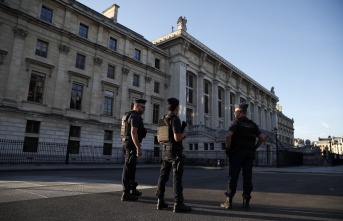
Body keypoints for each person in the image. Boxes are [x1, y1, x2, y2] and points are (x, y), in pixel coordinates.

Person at [221, 103, 265, 210]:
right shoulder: (252, 124)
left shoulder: (236, 123)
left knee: (233, 177)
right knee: (247, 178)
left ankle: (229, 202)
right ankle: (246, 203)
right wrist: (254, 148)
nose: (234, 113)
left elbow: (228, 136)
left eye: (235, 111)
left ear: (239, 112)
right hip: (249, 154)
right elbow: (262, 138)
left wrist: (228, 148)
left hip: (237, 153)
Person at [156, 98, 191, 213]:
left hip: (165, 151)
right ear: (177, 108)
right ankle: (178, 203)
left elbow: (159, 139)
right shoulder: (175, 119)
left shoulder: (162, 119)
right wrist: (184, 134)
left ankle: (160, 201)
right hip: (175, 152)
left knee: (163, 177)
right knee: (177, 178)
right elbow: (177, 138)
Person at [121, 99, 147, 201]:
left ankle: (132, 188)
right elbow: (133, 132)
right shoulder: (135, 116)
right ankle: (126, 193)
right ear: (136, 106)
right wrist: (138, 147)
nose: (144, 109)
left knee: (132, 166)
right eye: (142, 107)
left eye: (144, 107)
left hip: (125, 142)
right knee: (128, 167)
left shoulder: (127, 115)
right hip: (131, 144)